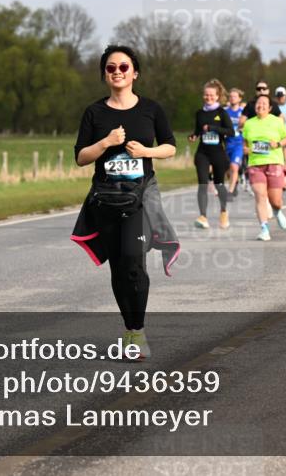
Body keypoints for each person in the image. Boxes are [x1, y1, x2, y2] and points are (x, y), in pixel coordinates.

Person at [70, 45, 178, 360]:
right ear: (105, 74)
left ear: (135, 73)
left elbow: (170, 147)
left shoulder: (151, 109)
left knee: (133, 261)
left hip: (140, 196)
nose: (117, 72)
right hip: (106, 198)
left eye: (124, 67)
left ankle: (138, 331)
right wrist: (105, 143)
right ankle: (130, 331)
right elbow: (80, 157)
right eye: (111, 68)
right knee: (118, 267)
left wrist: (146, 152)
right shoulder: (95, 112)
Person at [242, 94, 286, 241]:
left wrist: (278, 144)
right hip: (255, 164)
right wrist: (245, 149)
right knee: (260, 195)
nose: (260, 105)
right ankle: (264, 228)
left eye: (264, 103)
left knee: (275, 200)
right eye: (258, 103)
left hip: (274, 162)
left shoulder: (277, 121)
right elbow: (245, 142)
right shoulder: (249, 123)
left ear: (270, 108)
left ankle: (277, 211)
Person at [188, 80, 233, 230]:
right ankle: (203, 217)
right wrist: (193, 136)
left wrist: (213, 128)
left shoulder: (221, 113)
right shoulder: (199, 113)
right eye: (206, 95)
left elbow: (230, 131)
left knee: (219, 184)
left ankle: (223, 211)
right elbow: (198, 131)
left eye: (212, 95)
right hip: (203, 152)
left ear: (218, 96)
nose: (209, 97)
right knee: (202, 183)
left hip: (218, 153)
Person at [224, 88, 246, 197]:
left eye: (235, 96)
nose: (232, 98)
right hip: (226, 144)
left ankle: (230, 191)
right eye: (230, 96)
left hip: (238, 144)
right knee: (228, 170)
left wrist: (243, 129)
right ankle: (234, 183)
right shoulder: (224, 111)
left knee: (234, 166)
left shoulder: (243, 112)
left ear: (239, 98)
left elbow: (248, 126)